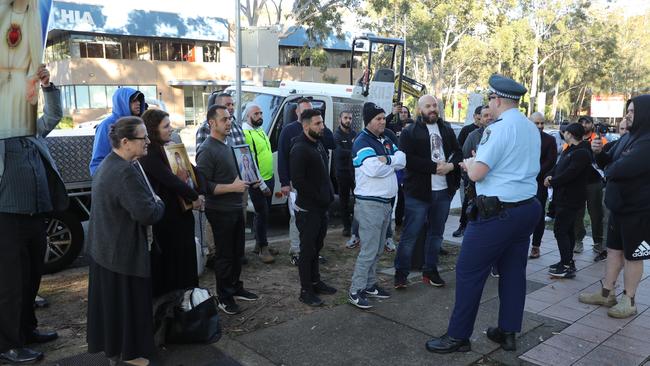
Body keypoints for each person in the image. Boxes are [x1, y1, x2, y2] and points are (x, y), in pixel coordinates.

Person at [426, 75, 540, 353]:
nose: (490, 103)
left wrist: (466, 163)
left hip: (497, 214)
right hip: (527, 209)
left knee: (469, 272)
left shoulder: (497, 129)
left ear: (497, 100)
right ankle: (508, 332)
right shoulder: (530, 126)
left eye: (490, 98)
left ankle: (458, 336)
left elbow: (478, 173)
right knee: (514, 272)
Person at [86, 117, 165, 366]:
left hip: (107, 251)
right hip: (121, 254)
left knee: (113, 309)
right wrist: (159, 202)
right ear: (125, 142)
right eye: (143, 138)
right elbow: (148, 213)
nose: (148, 142)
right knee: (127, 307)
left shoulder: (109, 164)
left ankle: (118, 354)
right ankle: (129, 355)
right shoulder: (123, 172)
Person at [0, 65, 66, 364]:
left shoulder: (32, 130)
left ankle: (28, 330)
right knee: (10, 286)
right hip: (7, 220)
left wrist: (48, 86)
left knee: (31, 281)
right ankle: (8, 344)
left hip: (36, 219)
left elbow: (53, 116)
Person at [579, 95, 650, 318]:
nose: (627, 115)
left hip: (638, 210)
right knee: (613, 251)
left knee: (633, 256)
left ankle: (629, 300)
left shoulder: (647, 142)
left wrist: (609, 168)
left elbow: (618, 170)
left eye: (632, 111)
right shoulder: (629, 137)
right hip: (618, 206)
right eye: (627, 110)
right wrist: (598, 152)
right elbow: (608, 161)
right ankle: (607, 293)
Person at [394, 94, 462, 289]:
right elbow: (407, 159)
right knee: (411, 234)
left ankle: (430, 270)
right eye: (428, 106)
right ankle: (401, 273)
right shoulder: (410, 132)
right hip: (419, 192)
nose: (432, 109)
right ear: (419, 110)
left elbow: (458, 152)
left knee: (436, 235)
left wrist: (451, 166)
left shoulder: (447, 129)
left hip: (443, 191)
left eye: (435, 105)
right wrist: (433, 168)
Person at [196, 105, 259, 315]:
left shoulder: (227, 144)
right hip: (220, 210)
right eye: (224, 119)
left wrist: (250, 177)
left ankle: (235, 287)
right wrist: (232, 188)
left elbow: (237, 172)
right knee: (224, 256)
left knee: (237, 253)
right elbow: (204, 186)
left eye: (230, 118)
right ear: (211, 123)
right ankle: (224, 297)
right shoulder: (206, 149)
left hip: (235, 207)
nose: (229, 122)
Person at [139, 109, 204, 297]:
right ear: (153, 129)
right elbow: (170, 180)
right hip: (167, 219)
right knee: (173, 265)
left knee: (186, 260)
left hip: (181, 214)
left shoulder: (168, 146)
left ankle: (189, 299)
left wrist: (200, 190)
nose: (171, 129)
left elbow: (191, 171)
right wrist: (195, 196)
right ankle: (175, 305)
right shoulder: (149, 153)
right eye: (166, 126)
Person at [348, 102, 406, 309]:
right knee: (369, 250)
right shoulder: (362, 141)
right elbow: (374, 169)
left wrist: (386, 160)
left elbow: (403, 159)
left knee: (379, 248)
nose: (383, 121)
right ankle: (356, 290)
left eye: (383, 117)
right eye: (378, 119)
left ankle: (370, 285)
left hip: (385, 203)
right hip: (370, 204)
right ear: (369, 121)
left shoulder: (386, 138)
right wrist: (392, 162)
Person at [278, 98, 334, 265]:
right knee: (297, 218)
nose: (308, 114)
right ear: (297, 112)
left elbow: (332, 144)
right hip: (297, 183)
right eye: (304, 112)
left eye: (311, 111)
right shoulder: (288, 131)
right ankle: (296, 251)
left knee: (316, 222)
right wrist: (285, 182)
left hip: (317, 184)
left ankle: (313, 252)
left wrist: (323, 127)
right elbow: (282, 157)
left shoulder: (319, 130)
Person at [290, 109, 337, 306]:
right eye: (317, 123)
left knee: (317, 247)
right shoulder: (299, 148)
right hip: (308, 210)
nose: (322, 126)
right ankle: (306, 290)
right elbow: (299, 182)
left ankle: (316, 282)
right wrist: (319, 198)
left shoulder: (317, 143)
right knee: (307, 250)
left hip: (320, 209)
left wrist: (329, 195)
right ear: (306, 125)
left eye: (322, 123)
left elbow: (323, 176)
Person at [544, 123, 590, 278]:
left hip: (571, 198)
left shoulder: (582, 153)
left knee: (560, 230)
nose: (563, 134)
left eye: (565, 132)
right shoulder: (569, 150)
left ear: (570, 134)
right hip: (562, 197)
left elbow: (570, 173)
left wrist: (553, 181)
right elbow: (558, 168)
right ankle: (567, 261)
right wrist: (550, 175)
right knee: (567, 230)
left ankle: (566, 265)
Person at [242, 103, 277, 264]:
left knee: (264, 213)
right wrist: (262, 184)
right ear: (248, 116)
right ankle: (263, 248)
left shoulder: (259, 129)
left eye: (261, 113)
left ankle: (259, 244)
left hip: (269, 177)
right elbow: (250, 160)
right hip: (258, 181)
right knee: (262, 213)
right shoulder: (246, 133)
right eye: (256, 114)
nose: (260, 116)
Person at [90, 88, 146, 175]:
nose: (138, 103)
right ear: (122, 102)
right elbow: (97, 161)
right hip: (114, 178)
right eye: (133, 101)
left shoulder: (138, 124)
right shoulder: (106, 125)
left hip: (133, 175)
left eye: (139, 100)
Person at [573, 116, 607, 255]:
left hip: (594, 183)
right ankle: (577, 240)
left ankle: (598, 241)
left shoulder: (600, 139)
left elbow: (604, 158)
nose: (584, 125)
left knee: (596, 213)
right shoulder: (575, 139)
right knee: (577, 213)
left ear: (592, 124)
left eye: (587, 122)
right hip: (578, 183)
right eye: (581, 122)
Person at [529, 112, 558, 259]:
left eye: (542, 123)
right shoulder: (522, 138)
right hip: (522, 183)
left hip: (539, 183)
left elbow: (550, 161)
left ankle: (536, 246)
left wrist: (533, 173)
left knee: (538, 214)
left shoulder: (550, 140)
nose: (540, 126)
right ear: (530, 123)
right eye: (537, 123)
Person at [453, 106, 484, 238]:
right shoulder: (469, 131)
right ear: (476, 116)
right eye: (480, 115)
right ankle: (463, 225)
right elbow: (460, 149)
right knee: (468, 200)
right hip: (470, 172)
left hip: (484, 175)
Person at [333, 110, 356, 237]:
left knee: (359, 199)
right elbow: (339, 153)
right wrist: (353, 152)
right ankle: (346, 227)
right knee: (344, 201)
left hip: (354, 172)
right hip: (342, 173)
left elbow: (359, 148)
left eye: (350, 118)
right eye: (346, 118)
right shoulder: (336, 135)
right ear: (340, 119)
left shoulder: (354, 134)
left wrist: (350, 151)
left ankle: (357, 225)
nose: (348, 120)